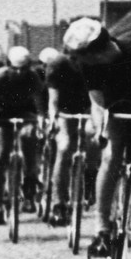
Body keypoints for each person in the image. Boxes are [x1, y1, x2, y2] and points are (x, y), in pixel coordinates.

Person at [62, 18, 131, 256]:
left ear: (95, 52)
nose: (77, 61)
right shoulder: (89, 64)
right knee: (110, 156)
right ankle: (101, 230)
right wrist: (100, 127)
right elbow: (96, 101)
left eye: (80, 56)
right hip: (117, 107)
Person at [0, 46, 45, 225]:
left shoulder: (33, 77)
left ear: (28, 66)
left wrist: (39, 122)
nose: (19, 72)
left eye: (23, 68)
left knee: (29, 144)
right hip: (2, 114)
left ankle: (29, 190)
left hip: (26, 114)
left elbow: (39, 105)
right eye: (15, 68)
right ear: (8, 65)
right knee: (1, 154)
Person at [40, 46, 93, 226]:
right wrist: (53, 117)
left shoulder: (93, 62)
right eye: (73, 58)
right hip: (64, 110)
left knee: (92, 138)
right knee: (64, 147)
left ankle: (91, 178)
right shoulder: (57, 65)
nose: (77, 62)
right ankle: (58, 203)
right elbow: (53, 99)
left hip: (88, 108)